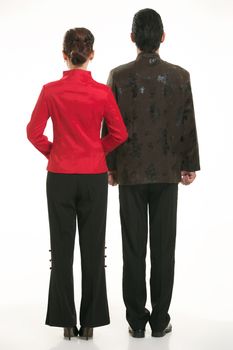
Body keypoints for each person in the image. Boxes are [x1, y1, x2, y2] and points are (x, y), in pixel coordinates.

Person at [102, 9, 200, 338]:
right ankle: (160, 320)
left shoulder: (118, 75)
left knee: (133, 248)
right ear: (162, 36)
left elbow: (110, 126)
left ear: (133, 37)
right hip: (166, 173)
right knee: (163, 249)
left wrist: (110, 166)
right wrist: (189, 164)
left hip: (129, 173)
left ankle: (135, 321)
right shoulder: (180, 76)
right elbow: (187, 122)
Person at [27, 27, 128, 340]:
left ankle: (65, 321)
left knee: (61, 249)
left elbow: (34, 132)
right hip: (94, 177)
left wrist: (55, 151)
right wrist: (97, 149)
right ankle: (91, 323)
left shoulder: (50, 90)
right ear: (91, 55)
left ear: (64, 55)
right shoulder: (102, 92)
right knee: (93, 250)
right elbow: (119, 133)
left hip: (59, 176)